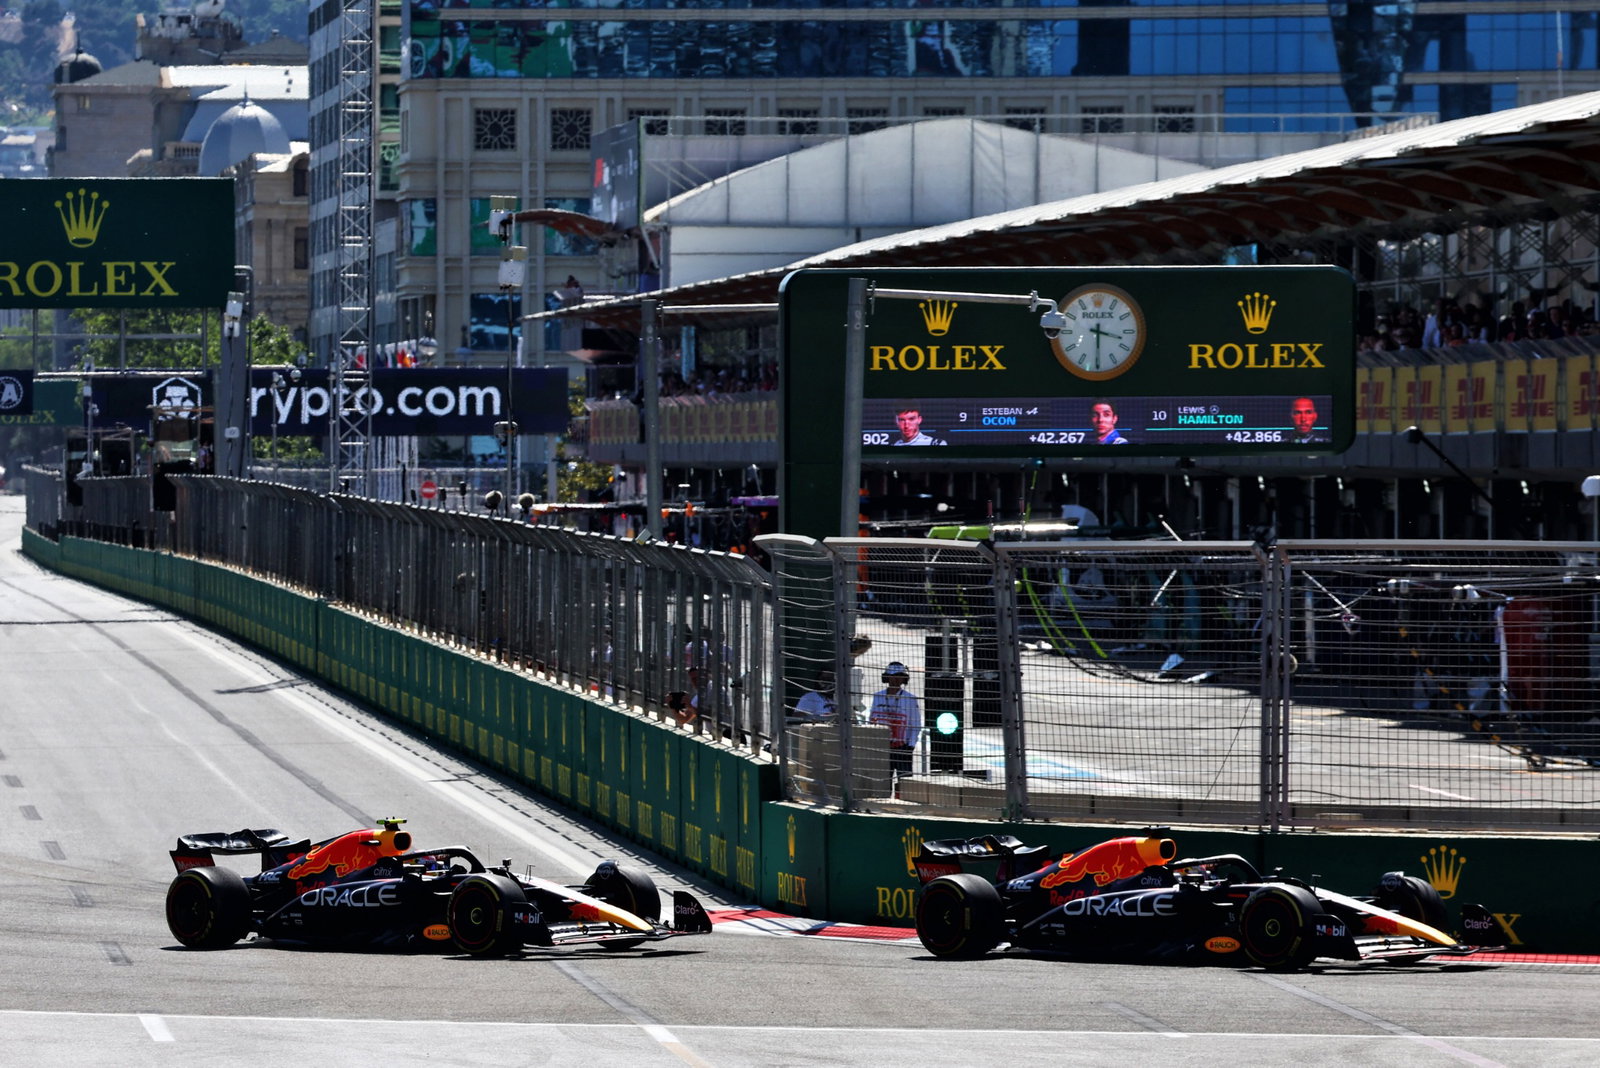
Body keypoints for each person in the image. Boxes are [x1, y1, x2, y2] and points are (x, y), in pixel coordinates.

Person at [868, 661, 922, 774]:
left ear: (904, 679)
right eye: (892, 676)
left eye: (898, 676)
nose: (895, 680)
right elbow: (871, 720)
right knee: (882, 780)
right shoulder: (878, 696)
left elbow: (916, 725)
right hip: (882, 747)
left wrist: (910, 746)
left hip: (903, 747)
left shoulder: (910, 699)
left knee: (904, 782)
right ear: (887, 678)